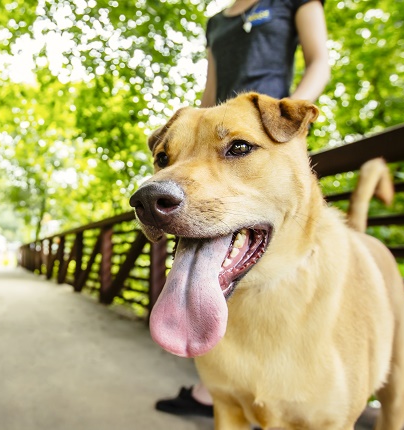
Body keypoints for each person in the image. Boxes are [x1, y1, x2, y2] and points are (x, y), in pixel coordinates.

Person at [155, 0, 330, 418]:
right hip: (218, 135)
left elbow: (320, 59)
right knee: (215, 260)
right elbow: (211, 95)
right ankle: (217, 386)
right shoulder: (216, 20)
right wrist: (189, 147)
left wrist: (288, 119)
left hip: (269, 128)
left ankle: (287, 388)